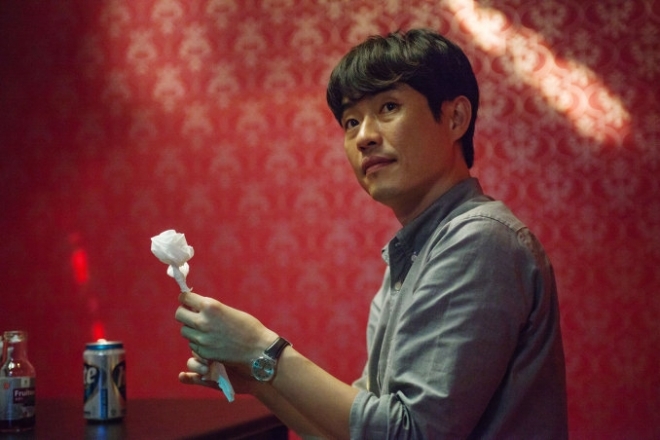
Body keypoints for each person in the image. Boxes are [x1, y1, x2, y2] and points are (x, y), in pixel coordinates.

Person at [175, 28, 568, 439]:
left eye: (389, 107)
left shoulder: (478, 240)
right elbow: (363, 430)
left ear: (455, 118)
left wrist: (262, 348)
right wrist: (260, 380)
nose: (364, 137)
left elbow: (410, 434)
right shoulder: (413, 252)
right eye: (351, 121)